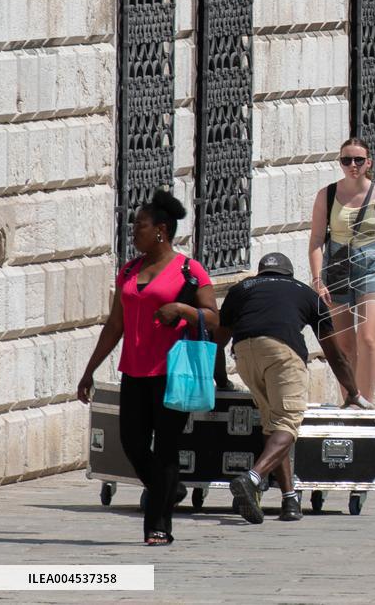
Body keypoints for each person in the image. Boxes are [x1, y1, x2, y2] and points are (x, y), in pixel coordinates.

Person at [77, 189, 218, 546]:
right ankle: (167, 489)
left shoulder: (190, 270)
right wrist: (90, 369)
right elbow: (114, 325)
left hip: (172, 374)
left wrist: (182, 311)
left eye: (139, 225)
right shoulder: (128, 269)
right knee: (132, 444)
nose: (133, 231)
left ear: (161, 230)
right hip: (134, 372)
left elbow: (215, 320)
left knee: (167, 447)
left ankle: (159, 526)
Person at [214, 252, 355, 523]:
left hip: (244, 353)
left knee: (273, 425)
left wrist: (221, 381)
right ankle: (252, 478)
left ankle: (290, 501)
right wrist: (353, 391)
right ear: (288, 274)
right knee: (289, 424)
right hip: (282, 353)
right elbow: (335, 353)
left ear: (261, 273)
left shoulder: (241, 289)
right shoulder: (306, 293)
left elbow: (215, 342)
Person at [308, 137, 375, 407]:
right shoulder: (327, 195)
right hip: (337, 268)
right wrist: (318, 280)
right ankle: (351, 402)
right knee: (344, 345)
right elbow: (317, 240)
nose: (352, 165)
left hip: (373, 264)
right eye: (346, 160)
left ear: (368, 163)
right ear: (340, 163)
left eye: (358, 160)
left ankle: (367, 402)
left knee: (367, 339)